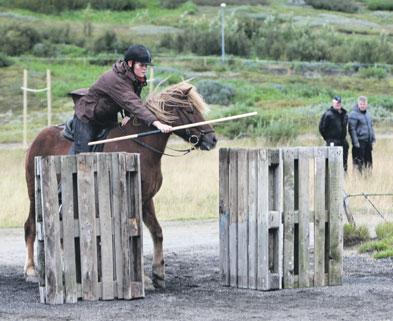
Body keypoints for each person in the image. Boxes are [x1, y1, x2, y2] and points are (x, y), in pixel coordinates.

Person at [69, 44, 172, 154]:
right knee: (83, 156)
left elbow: (133, 96)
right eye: (141, 65)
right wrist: (157, 123)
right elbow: (133, 102)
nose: (145, 68)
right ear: (130, 63)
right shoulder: (115, 80)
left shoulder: (136, 78)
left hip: (107, 118)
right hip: (87, 117)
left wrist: (128, 115)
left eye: (146, 66)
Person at [319, 95, 349, 171]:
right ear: (333, 103)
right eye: (336, 103)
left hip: (343, 141)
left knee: (344, 162)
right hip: (332, 141)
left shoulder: (344, 114)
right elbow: (322, 128)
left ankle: (344, 177)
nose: (338, 105)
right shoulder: (328, 114)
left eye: (339, 103)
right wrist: (328, 139)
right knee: (332, 162)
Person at [348, 96, 375, 173]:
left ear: (366, 104)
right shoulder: (353, 114)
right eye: (361, 104)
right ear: (358, 104)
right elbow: (351, 129)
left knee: (369, 162)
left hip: (368, 142)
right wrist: (355, 143)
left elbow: (371, 127)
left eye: (364, 104)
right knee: (359, 163)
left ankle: (368, 179)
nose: (362, 105)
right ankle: (358, 180)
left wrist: (373, 139)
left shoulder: (368, 114)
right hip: (359, 142)